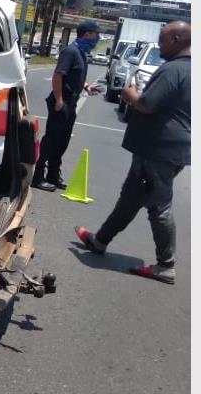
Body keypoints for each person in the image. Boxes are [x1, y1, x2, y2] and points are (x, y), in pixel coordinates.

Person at [75, 21, 191, 284]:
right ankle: (100, 240)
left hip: (159, 151)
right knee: (130, 197)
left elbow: (147, 103)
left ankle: (166, 265)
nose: (159, 45)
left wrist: (129, 93)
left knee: (159, 207)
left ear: (176, 39)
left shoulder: (174, 70)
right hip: (160, 148)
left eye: (161, 40)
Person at [32, 20, 101, 191]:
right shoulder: (70, 51)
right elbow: (58, 76)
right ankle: (37, 176)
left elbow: (74, 75)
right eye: (95, 34)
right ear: (87, 34)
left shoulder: (80, 53)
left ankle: (53, 175)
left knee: (62, 141)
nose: (97, 38)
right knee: (51, 140)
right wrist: (59, 100)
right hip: (62, 102)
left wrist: (86, 86)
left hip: (71, 103)